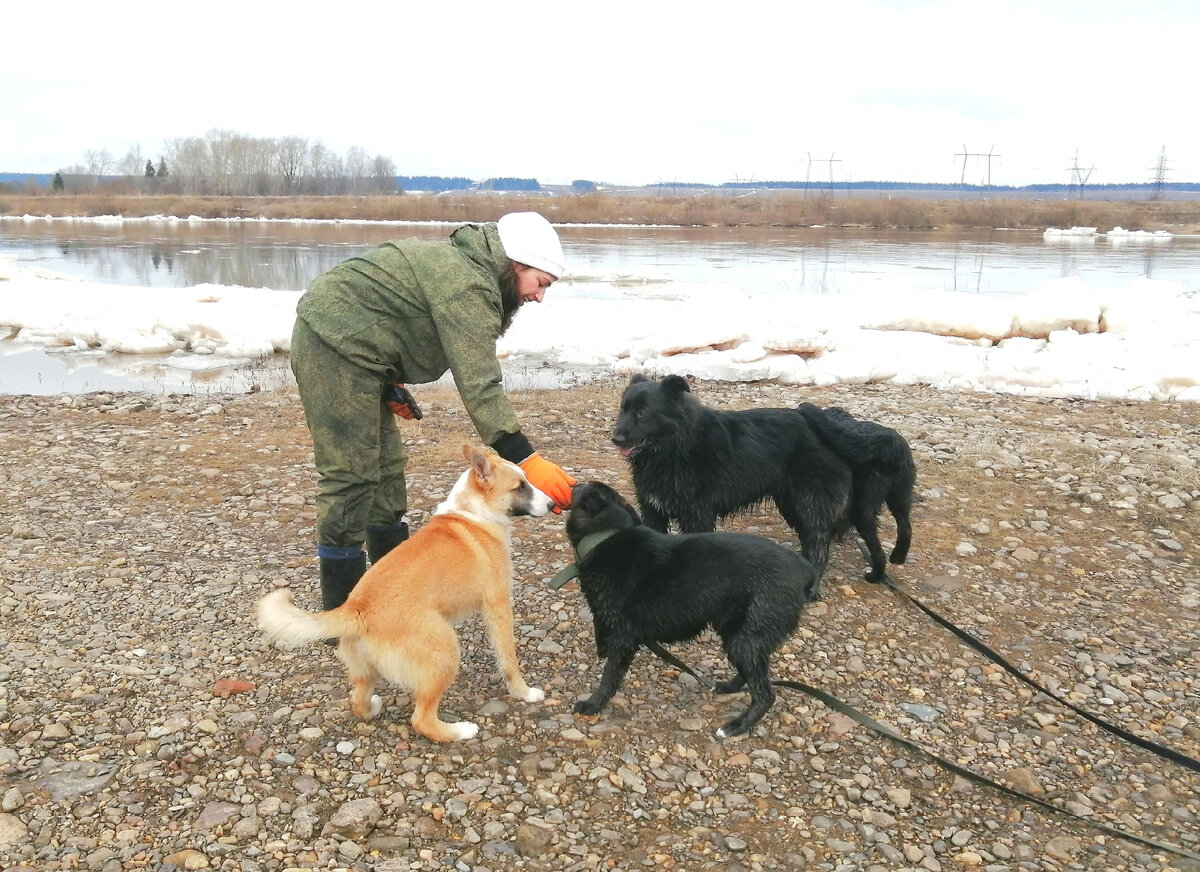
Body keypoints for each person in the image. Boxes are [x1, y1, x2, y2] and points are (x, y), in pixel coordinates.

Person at [289, 211, 577, 611]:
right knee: (351, 475)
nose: (538, 296)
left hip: (364, 352)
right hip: (332, 345)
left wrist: (389, 377)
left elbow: (388, 312)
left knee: (387, 470)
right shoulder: (467, 285)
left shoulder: (476, 272)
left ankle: (394, 595)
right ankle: (343, 615)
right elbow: (478, 382)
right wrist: (525, 458)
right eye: (540, 283)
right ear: (516, 264)